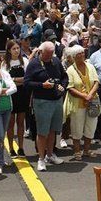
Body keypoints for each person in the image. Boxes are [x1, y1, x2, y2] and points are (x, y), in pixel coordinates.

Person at [24, 41, 68, 171]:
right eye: (47, 54)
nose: (50, 57)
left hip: (56, 100)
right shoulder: (34, 64)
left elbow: (65, 77)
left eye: (52, 54)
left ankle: (50, 155)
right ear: (41, 52)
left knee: (53, 130)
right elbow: (27, 83)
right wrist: (42, 85)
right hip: (42, 101)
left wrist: (63, 86)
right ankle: (41, 159)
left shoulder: (56, 61)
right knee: (42, 132)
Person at [64, 45, 99, 161]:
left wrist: (90, 95)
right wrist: (84, 96)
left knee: (91, 126)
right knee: (76, 127)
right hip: (77, 103)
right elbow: (70, 87)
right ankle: (77, 150)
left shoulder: (90, 66)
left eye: (82, 53)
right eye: (78, 54)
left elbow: (96, 82)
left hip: (92, 101)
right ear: (74, 57)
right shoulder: (70, 70)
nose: (81, 55)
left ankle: (87, 149)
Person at [3, 40, 29, 157]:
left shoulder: (25, 61)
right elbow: (6, 81)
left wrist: (14, 80)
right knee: (10, 123)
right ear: (9, 50)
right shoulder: (4, 64)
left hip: (23, 94)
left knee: (21, 122)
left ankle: (21, 147)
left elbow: (27, 78)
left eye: (18, 48)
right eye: (14, 48)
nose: (16, 50)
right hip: (11, 94)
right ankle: (11, 148)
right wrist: (18, 80)